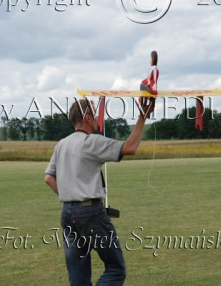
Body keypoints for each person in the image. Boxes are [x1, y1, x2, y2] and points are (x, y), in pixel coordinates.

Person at [44, 97, 155, 286]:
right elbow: (129, 148)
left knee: (78, 280)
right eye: (95, 114)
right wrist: (142, 118)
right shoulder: (91, 142)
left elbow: (48, 178)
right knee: (116, 268)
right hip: (91, 214)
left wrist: (71, 196)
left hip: (67, 213)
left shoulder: (61, 144)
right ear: (87, 118)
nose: (98, 118)